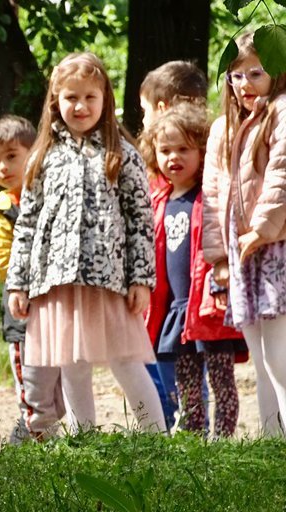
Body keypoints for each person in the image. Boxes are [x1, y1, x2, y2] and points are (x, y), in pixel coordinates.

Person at [5, 52, 166, 433]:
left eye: (90, 97)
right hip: (55, 280)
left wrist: (141, 279)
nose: (80, 106)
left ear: (104, 99)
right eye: (71, 97)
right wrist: (18, 281)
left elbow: (140, 221)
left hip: (107, 280)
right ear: (55, 102)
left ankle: (156, 436)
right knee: (70, 361)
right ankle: (83, 441)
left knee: (125, 358)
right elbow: (26, 223)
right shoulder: (42, 157)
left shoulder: (121, 154)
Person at [140, 102, 246, 437]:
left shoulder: (208, 196)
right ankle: (193, 435)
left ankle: (224, 437)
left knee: (220, 377)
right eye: (165, 150)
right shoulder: (160, 201)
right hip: (177, 309)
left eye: (184, 149)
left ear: (201, 151)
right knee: (185, 379)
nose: (174, 157)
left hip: (208, 307)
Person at [202, 32, 286, 436]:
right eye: (236, 75)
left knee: (280, 354)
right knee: (260, 353)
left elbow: (281, 176)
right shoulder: (224, 128)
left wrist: (262, 230)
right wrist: (218, 256)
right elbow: (214, 193)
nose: (245, 83)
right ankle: (272, 437)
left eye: (256, 72)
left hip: (275, 246)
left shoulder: (282, 112)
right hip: (241, 253)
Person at [0, 115, 65, 441]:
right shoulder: (2, 211)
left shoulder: (50, 196)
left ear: (35, 152)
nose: (3, 167)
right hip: (22, 319)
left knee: (59, 388)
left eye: (11, 156)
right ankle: (29, 440)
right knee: (32, 391)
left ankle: (42, 437)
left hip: (58, 313)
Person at [138, 60, 210, 429]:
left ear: (161, 108)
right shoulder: (157, 179)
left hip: (186, 298)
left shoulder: (198, 187)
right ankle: (161, 427)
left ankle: (185, 427)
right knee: (159, 363)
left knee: (186, 371)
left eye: (145, 110)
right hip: (156, 296)